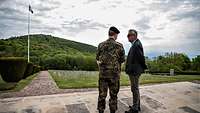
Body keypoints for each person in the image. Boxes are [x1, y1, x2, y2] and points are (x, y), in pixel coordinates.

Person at [96, 26, 125, 113]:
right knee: (113, 95)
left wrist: (102, 69)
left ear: (109, 34)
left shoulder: (101, 45)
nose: (117, 37)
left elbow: (97, 59)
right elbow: (122, 61)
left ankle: (101, 111)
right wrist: (118, 70)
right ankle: (113, 111)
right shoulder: (119, 46)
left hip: (103, 74)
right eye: (117, 35)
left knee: (102, 94)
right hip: (114, 75)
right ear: (115, 34)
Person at [125, 29, 147, 113]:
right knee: (135, 89)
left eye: (129, 35)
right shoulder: (135, 44)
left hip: (135, 72)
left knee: (134, 89)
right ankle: (137, 106)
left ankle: (135, 109)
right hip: (134, 71)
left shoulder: (137, 44)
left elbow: (141, 58)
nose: (127, 37)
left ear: (134, 36)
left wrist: (143, 67)